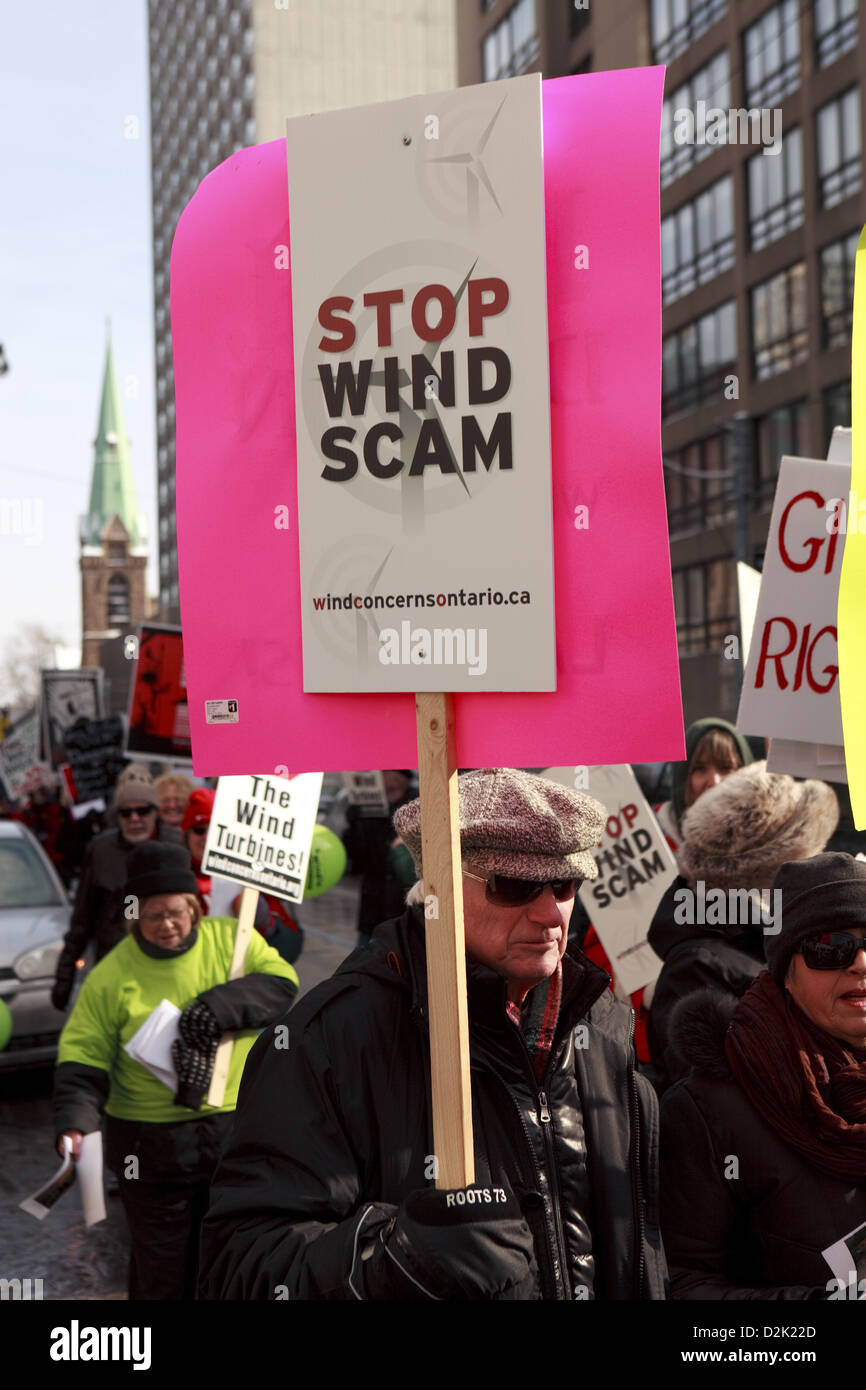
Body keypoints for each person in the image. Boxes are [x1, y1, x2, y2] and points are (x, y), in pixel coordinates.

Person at [198, 768, 665, 1301]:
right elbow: (240, 1267)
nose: (550, 913)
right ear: (436, 886)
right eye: (514, 886)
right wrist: (392, 1258)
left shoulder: (600, 1025)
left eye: (564, 886)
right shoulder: (328, 1041)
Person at [54, 842, 299, 1300]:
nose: (167, 925)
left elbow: (283, 983)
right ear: (134, 917)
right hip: (151, 1147)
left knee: (230, 1260)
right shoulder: (112, 974)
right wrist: (75, 1121)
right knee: (163, 1269)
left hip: (233, 1133)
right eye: (153, 915)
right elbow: (83, 1054)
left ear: (194, 907)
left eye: (176, 912)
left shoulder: (231, 939)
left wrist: (215, 1007)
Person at [660, 852, 866, 1298]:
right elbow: (681, 1282)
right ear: (785, 972)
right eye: (831, 946)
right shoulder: (707, 1110)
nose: (860, 963)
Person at [647, 762, 839, 1090]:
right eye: (809, 851)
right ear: (775, 868)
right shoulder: (697, 969)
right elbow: (713, 1107)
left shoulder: (772, 937)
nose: (815, 862)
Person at [51, 775, 183, 1011]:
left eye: (142, 811)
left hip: (169, 965)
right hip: (116, 965)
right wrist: (64, 977)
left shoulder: (177, 846)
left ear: (155, 812)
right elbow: (82, 919)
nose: (135, 819)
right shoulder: (100, 851)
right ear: (117, 816)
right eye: (126, 813)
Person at [342, 770, 415, 947]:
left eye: (385, 772)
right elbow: (356, 859)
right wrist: (353, 824)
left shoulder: (417, 803)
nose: (378, 776)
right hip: (373, 909)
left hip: (405, 909)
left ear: (399, 778)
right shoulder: (368, 806)